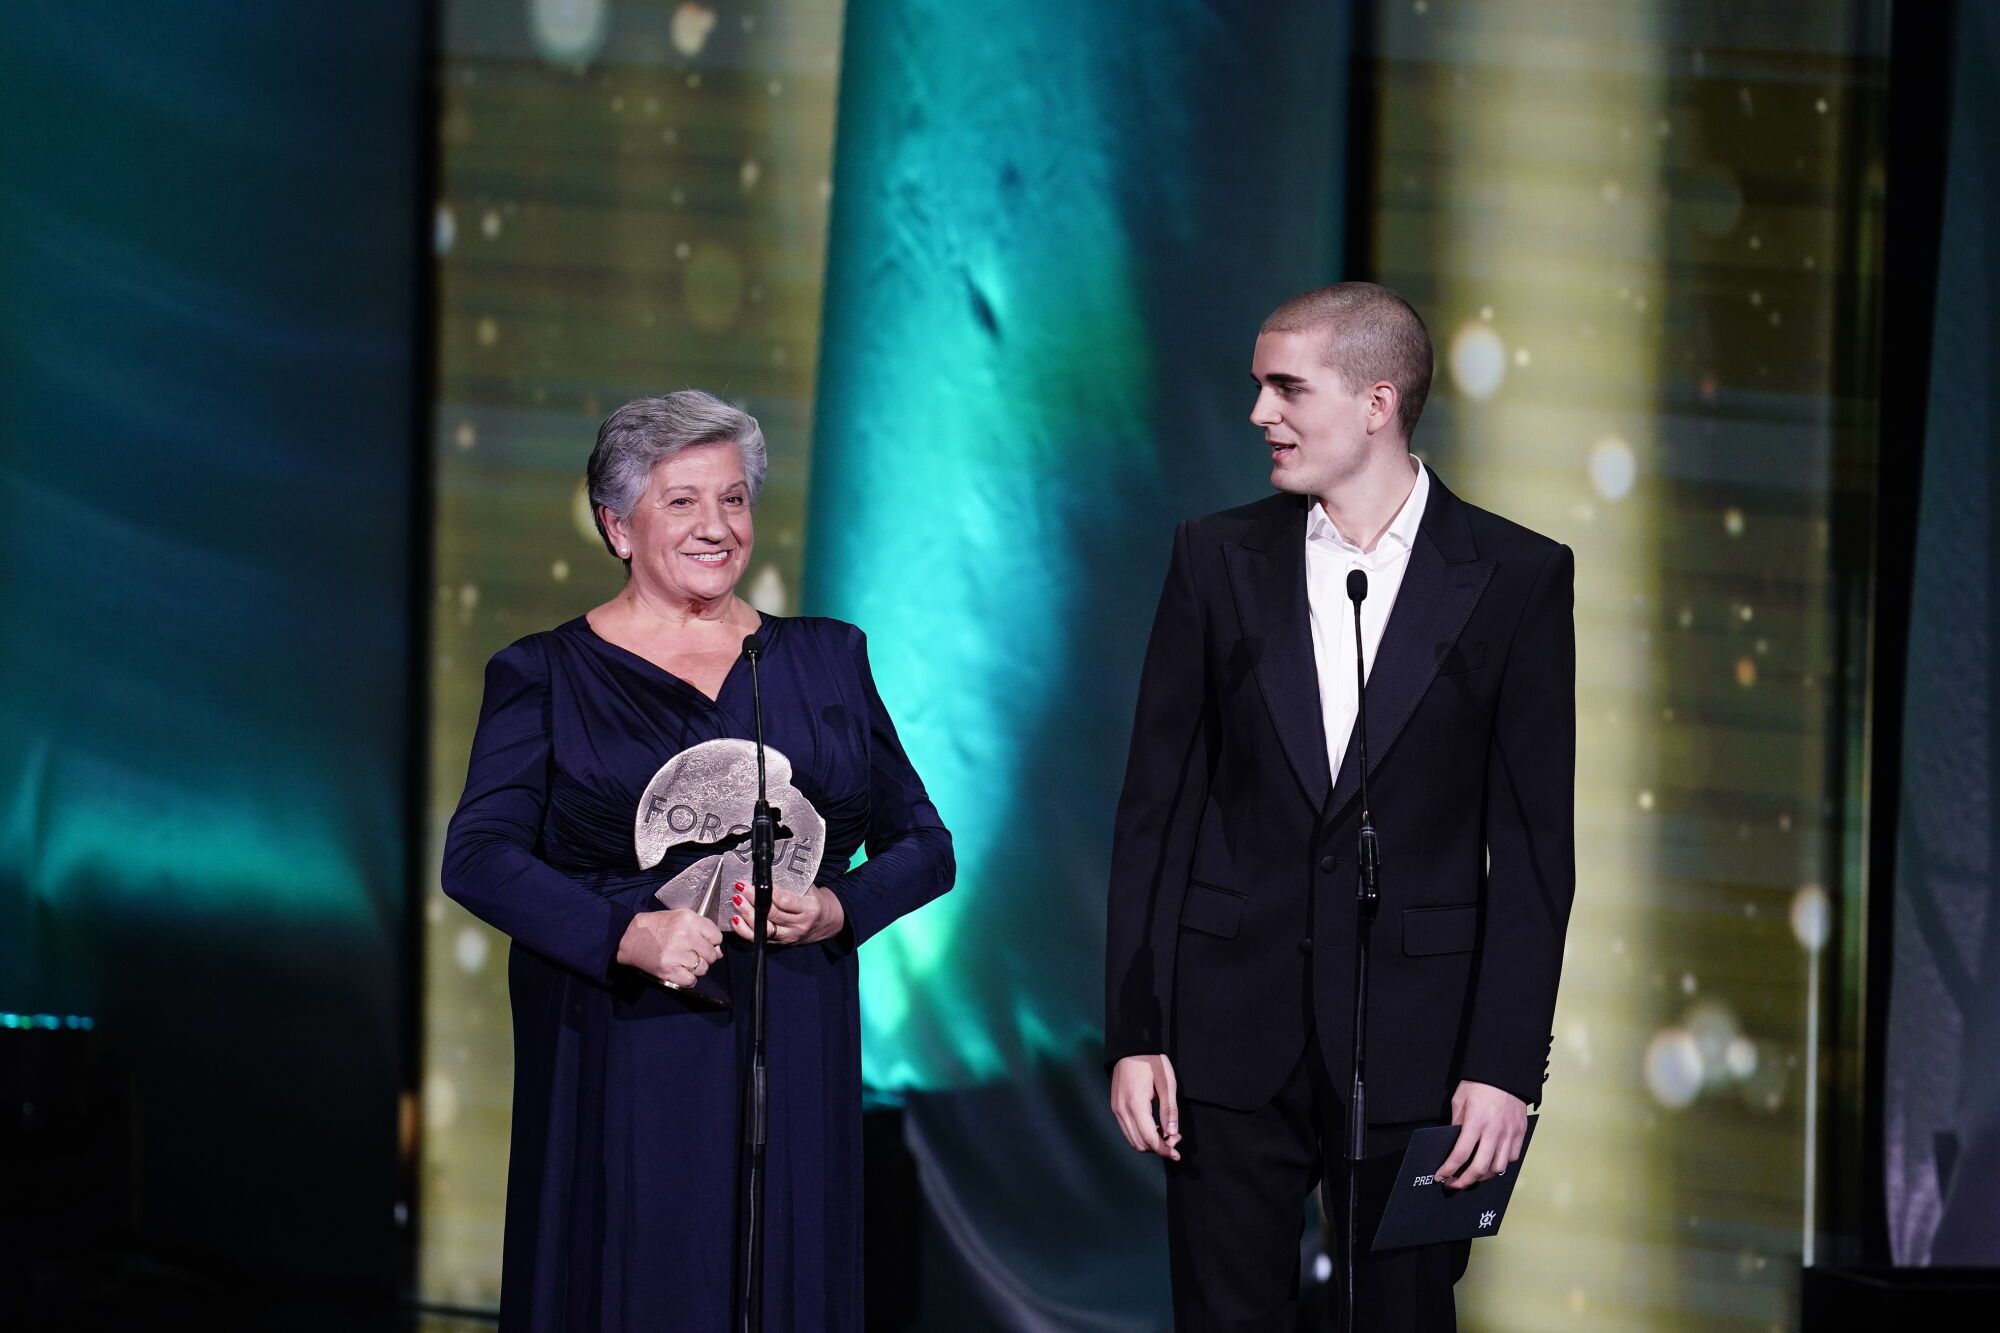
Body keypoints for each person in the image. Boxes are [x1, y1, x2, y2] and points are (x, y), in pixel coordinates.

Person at [1103, 283, 1575, 1330]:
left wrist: (1502, 1067)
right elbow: (1155, 812)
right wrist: (1134, 1030)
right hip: (1223, 1036)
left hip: (1417, 1045)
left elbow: (1535, 852)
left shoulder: (1516, 577)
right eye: (1256, 387)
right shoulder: (1213, 559)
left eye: (1284, 387)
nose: (1259, 413)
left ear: (1375, 402)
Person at [442, 391, 954, 1332]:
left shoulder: (824, 659)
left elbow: (926, 845)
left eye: (734, 499)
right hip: (625, 1048)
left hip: (795, 1042)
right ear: (615, 523)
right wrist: (625, 934)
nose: (717, 527)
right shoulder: (545, 675)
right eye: (682, 502)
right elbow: (477, 857)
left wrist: (838, 909)